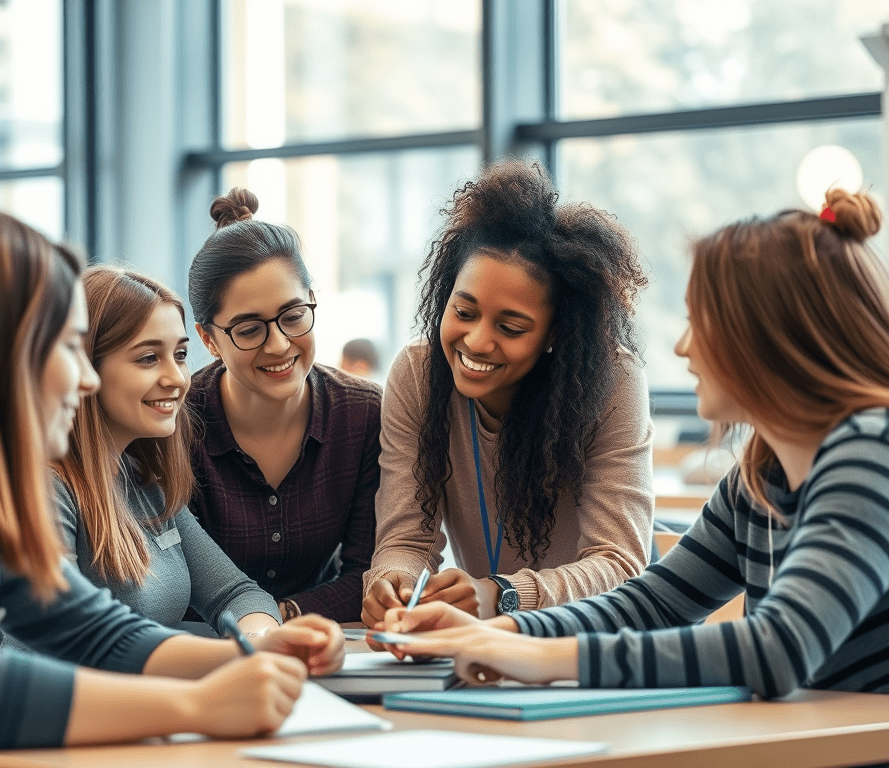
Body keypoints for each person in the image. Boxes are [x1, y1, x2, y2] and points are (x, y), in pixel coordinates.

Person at [0, 183, 343, 752]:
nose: (86, 380)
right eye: (67, 348)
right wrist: (196, 705)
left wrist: (258, 652)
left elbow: (95, 633)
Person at [379, 188, 889, 698]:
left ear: (771, 338)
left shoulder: (871, 454)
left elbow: (777, 649)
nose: (683, 347)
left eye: (700, 322)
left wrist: (530, 653)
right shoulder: (758, 477)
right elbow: (650, 605)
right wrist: (496, 632)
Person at [362, 158, 654, 627]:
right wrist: (394, 583)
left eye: (511, 327)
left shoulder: (612, 381)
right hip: (490, 643)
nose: (476, 341)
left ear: (554, 334)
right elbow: (407, 540)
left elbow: (619, 565)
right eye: (464, 311)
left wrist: (503, 594)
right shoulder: (418, 374)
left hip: (592, 635)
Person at [186, 187, 381, 624]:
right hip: (204, 657)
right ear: (208, 339)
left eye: (293, 316)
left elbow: (370, 573)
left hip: (327, 647)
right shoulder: (176, 423)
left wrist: (283, 617)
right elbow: (179, 584)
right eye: (249, 329)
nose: (278, 345)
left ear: (313, 299)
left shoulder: (363, 413)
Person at [52, 265, 280, 637]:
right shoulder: (49, 487)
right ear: (85, 367)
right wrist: (232, 657)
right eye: (147, 358)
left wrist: (258, 641)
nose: (177, 378)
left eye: (180, 354)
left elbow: (237, 594)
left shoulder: (141, 483)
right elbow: (67, 646)